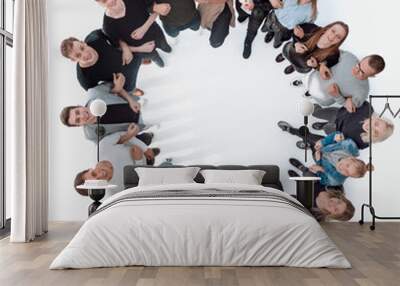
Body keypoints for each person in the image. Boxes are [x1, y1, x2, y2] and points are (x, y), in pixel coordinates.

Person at [60, 74, 153, 144]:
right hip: (140, 125)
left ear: (79, 106)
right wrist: (129, 135)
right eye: (78, 120)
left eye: (77, 112)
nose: (82, 115)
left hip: (141, 104)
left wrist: (130, 100)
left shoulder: (94, 93)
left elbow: (116, 87)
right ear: (79, 125)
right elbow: (112, 145)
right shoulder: (91, 135)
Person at [60, 30, 155, 91]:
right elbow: (102, 95)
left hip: (130, 56)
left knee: (140, 57)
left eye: (82, 48)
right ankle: (134, 90)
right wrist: (118, 88)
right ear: (73, 60)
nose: (85, 54)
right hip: (127, 82)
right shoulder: (84, 78)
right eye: (78, 55)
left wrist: (125, 47)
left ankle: (141, 62)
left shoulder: (94, 37)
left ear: (83, 42)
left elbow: (114, 32)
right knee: (131, 89)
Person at [73, 134, 161, 196]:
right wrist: (139, 161)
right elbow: (139, 186)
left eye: (94, 174)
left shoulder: (101, 148)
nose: (101, 175)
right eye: (99, 182)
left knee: (146, 138)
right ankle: (152, 158)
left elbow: (122, 135)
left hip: (136, 145)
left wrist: (144, 149)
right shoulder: (115, 192)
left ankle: (149, 142)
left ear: (89, 169)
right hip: (144, 167)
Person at [298, 53, 386, 111]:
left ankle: (309, 95)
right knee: (306, 80)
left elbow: (349, 107)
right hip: (313, 77)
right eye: (358, 65)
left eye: (362, 72)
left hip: (321, 97)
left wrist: (337, 96)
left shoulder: (362, 92)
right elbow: (329, 54)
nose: (356, 71)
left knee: (310, 95)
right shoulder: (348, 57)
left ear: (371, 76)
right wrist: (322, 65)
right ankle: (303, 83)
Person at [98, 0, 172, 67]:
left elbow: (156, 8)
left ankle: (166, 48)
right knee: (154, 57)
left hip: (156, 34)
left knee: (164, 45)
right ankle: (157, 60)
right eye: (104, 1)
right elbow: (116, 46)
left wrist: (143, 29)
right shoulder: (108, 25)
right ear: (99, 3)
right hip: (143, 51)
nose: (110, 1)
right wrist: (140, 49)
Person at [289, 132, 373, 187]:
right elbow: (337, 134)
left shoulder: (336, 180)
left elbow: (323, 180)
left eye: (347, 172)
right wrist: (324, 142)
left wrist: (319, 166)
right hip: (324, 146)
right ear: (351, 158)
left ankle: (303, 166)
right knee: (313, 141)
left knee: (313, 154)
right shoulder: (349, 146)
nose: (342, 168)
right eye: (347, 165)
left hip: (320, 158)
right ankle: (296, 133)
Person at [275, 21, 349, 75]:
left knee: (301, 65)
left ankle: (294, 66)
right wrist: (296, 43)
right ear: (327, 28)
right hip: (292, 50)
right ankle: (284, 55)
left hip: (302, 64)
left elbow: (323, 67)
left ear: (339, 41)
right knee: (288, 51)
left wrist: (316, 66)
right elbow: (292, 31)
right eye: (333, 31)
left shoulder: (334, 56)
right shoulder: (311, 28)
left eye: (338, 37)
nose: (332, 37)